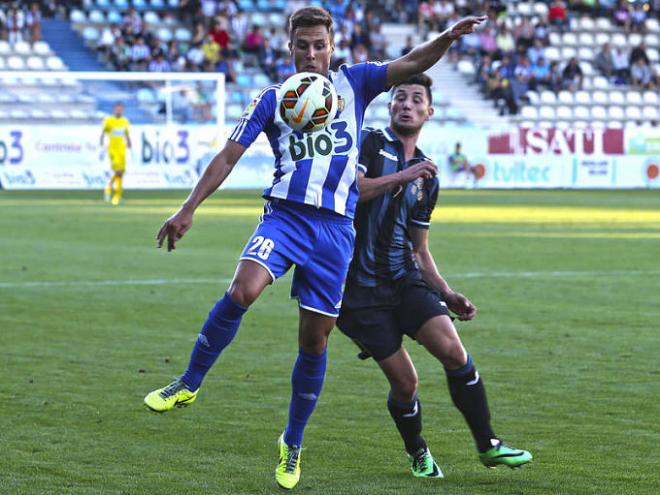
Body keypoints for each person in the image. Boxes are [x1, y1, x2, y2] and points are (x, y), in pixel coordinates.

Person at [143, 6, 485, 490]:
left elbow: (410, 63)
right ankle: (189, 383)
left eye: (319, 45)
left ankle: (293, 441)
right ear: (290, 47)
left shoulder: (357, 83)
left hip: (336, 232)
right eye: (302, 45)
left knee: (314, 340)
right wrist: (188, 207)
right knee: (242, 290)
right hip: (285, 216)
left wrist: (448, 36)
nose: (311, 54)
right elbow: (227, 156)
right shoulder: (273, 98)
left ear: (331, 45)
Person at [336, 73, 532, 478]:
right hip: (359, 292)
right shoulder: (370, 143)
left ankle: (489, 445)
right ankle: (417, 450)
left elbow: (420, 249)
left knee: (454, 352)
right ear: (389, 107)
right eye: (400, 98)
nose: (407, 104)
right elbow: (353, 190)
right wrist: (403, 176)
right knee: (406, 384)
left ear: (430, 111)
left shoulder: (429, 178)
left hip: (406, 279)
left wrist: (447, 292)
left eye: (416, 99)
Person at [100, 102, 131, 205]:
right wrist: (102, 144)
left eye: (121, 109)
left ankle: (116, 198)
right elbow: (103, 133)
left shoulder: (125, 121)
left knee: (121, 174)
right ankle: (108, 190)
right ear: (114, 110)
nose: (119, 110)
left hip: (122, 150)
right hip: (113, 150)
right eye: (117, 109)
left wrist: (129, 142)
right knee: (117, 172)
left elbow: (126, 134)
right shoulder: (109, 121)